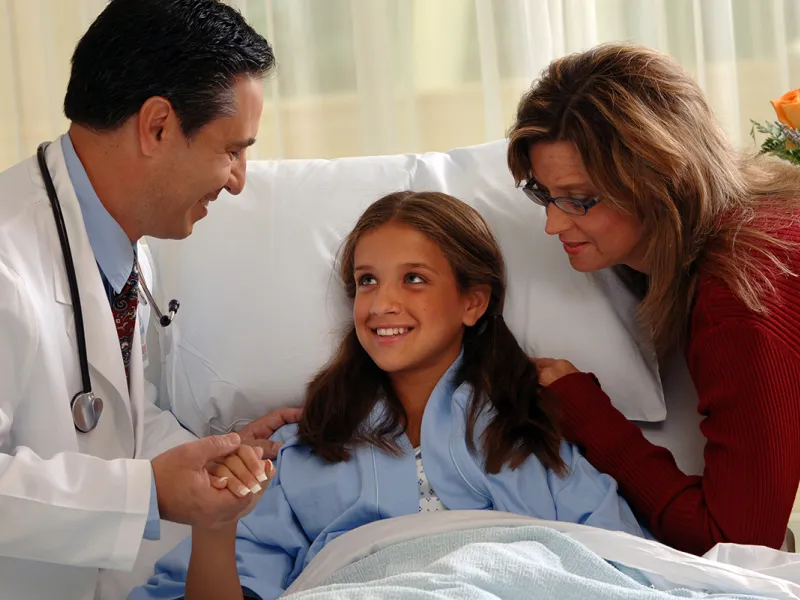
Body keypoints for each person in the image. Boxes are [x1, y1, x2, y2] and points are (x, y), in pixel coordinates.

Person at [129, 191, 645, 600]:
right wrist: (216, 526)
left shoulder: (539, 437)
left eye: (414, 279)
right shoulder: (299, 454)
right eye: (367, 281)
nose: (382, 304)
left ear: (473, 302)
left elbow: (633, 573)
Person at [0, 1, 299, 598]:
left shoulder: (122, 240)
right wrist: (147, 494)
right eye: (233, 150)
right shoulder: (7, 259)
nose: (239, 179)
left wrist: (215, 455)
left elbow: (113, 425)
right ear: (158, 125)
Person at [505, 42, 800, 555]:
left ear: (663, 180)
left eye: (580, 199)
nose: (553, 223)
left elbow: (738, 543)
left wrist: (588, 416)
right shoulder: (760, 214)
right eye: (544, 194)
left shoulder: (737, 298)